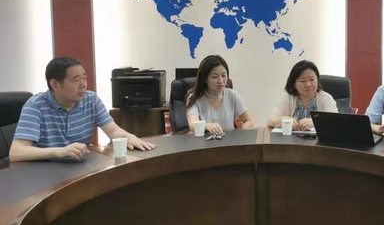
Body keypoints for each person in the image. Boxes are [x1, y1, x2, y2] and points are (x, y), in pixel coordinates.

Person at [10, 56, 155, 162]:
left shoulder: (91, 99)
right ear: (55, 84)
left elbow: (113, 131)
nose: (83, 85)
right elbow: (16, 152)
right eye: (76, 80)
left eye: (84, 78)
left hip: (78, 167)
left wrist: (130, 137)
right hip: (43, 171)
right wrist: (60, 152)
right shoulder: (35, 106)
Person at [186, 55, 253, 135]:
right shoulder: (194, 98)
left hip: (229, 141)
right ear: (204, 78)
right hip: (205, 142)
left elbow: (249, 121)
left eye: (224, 75)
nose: (221, 81)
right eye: (215, 77)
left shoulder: (232, 95)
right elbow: (192, 125)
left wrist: (239, 134)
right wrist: (207, 126)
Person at [267, 60, 338, 131]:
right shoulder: (289, 98)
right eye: (303, 81)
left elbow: (336, 121)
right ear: (294, 84)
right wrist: (282, 120)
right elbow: (270, 121)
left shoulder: (326, 98)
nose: (308, 84)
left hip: (318, 138)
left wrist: (315, 122)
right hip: (291, 138)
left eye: (312, 79)